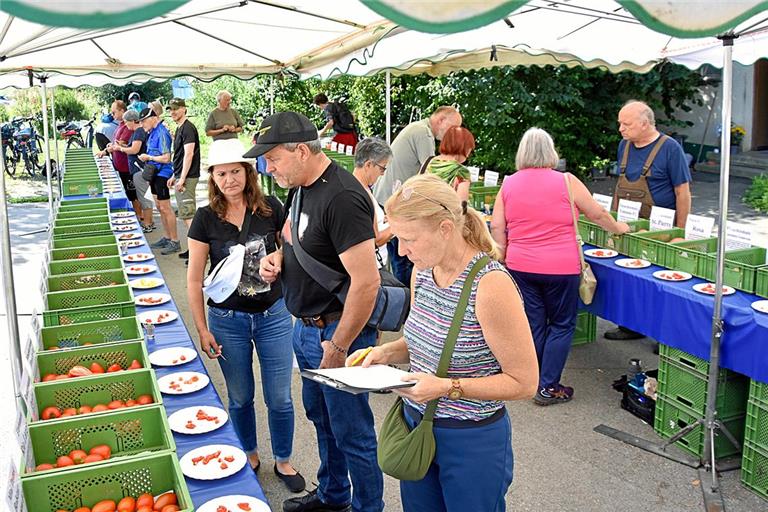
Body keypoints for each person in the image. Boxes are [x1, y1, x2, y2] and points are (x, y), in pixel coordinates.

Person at [348, 173, 538, 511]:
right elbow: (425, 337)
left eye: (408, 239)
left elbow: (524, 383)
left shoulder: (491, 285)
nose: (401, 252)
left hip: (471, 441)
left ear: (445, 229)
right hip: (416, 425)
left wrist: (446, 388)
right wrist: (384, 352)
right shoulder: (424, 270)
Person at [254, 112, 384, 512]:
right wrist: (277, 258)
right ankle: (333, 495)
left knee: (353, 432)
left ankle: (367, 507)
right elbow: (299, 246)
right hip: (307, 330)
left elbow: (366, 283)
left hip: (338, 334)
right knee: (324, 421)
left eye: (273, 158)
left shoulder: (342, 197)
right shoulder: (300, 187)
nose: (267, 167)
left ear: (303, 151)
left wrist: (339, 346)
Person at [187, 138, 305, 494]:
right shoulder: (205, 218)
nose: (229, 179)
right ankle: (249, 453)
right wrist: (202, 329)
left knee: (281, 397)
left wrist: (280, 259)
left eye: (235, 171)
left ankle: (283, 459)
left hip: (274, 315)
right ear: (213, 177)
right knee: (239, 396)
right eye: (221, 173)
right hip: (228, 320)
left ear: (248, 172)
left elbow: (291, 245)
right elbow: (194, 278)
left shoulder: (270, 207)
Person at [490, 128, 630, 405]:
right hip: (561, 267)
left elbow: (497, 225)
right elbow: (597, 213)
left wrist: (504, 254)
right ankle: (548, 385)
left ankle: (530, 379)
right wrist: (618, 227)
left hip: (520, 265)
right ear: (551, 152)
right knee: (562, 324)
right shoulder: (566, 181)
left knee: (533, 322)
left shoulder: (509, 184)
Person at [605, 100, 692, 341]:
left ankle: (662, 337)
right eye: (620, 123)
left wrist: (680, 231)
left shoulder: (670, 148)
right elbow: (619, 184)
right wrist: (611, 218)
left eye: (626, 124)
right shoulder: (624, 146)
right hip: (627, 224)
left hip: (660, 230)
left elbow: (682, 192)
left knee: (660, 281)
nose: (621, 128)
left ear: (645, 124)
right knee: (629, 277)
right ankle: (631, 326)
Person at [372, 106, 462, 287]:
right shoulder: (424, 134)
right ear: (441, 120)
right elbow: (431, 175)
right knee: (404, 259)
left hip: (388, 199)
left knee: (399, 257)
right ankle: (405, 302)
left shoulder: (417, 128)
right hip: (395, 203)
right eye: (453, 128)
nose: (453, 134)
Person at [137, 107, 181, 254]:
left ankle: (175, 241)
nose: (142, 124)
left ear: (153, 118)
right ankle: (166, 237)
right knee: (159, 207)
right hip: (154, 172)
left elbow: (166, 157)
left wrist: (148, 157)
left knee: (166, 208)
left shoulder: (161, 132)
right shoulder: (152, 132)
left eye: (143, 121)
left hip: (163, 172)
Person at [352, 137, 393, 269]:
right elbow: (375, 239)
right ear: (368, 165)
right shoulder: (360, 193)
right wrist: (396, 225)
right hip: (374, 267)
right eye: (382, 168)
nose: (382, 174)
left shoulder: (359, 188)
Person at [167, 98, 201, 260]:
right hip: (181, 175)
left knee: (188, 215)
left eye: (176, 109)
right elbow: (180, 156)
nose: (172, 112)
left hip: (187, 177)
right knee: (185, 214)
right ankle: (193, 249)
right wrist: (175, 175)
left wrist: (182, 179)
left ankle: (198, 252)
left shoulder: (188, 128)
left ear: (184, 109)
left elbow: (189, 154)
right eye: (170, 109)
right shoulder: (180, 128)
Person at [97, 100, 141, 214]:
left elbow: (122, 144)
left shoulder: (128, 126)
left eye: (114, 112)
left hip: (127, 166)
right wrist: (111, 145)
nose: (112, 115)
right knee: (128, 192)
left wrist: (108, 149)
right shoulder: (121, 124)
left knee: (132, 194)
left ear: (122, 110)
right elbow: (117, 143)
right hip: (120, 165)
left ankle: (141, 217)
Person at [117, 110, 155, 232]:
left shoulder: (138, 132)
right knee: (142, 196)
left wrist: (120, 148)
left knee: (143, 198)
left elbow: (134, 149)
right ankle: (149, 222)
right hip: (137, 169)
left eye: (127, 122)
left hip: (139, 168)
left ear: (133, 121)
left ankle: (148, 224)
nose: (126, 125)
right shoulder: (137, 132)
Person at [421, 125, 475, 203]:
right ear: (464, 148)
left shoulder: (428, 161)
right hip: (443, 214)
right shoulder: (462, 171)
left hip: (421, 211)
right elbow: (461, 206)